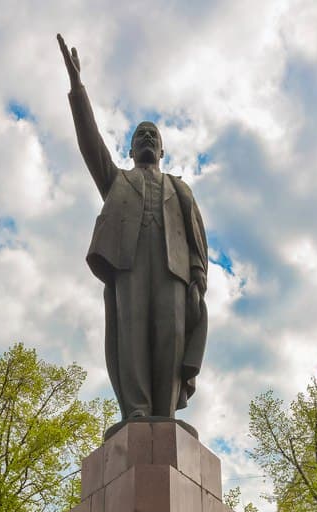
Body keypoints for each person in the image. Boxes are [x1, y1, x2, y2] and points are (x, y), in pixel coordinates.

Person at [57, 34, 208, 428]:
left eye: (152, 136)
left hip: (172, 270)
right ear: (129, 151)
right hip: (129, 264)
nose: (146, 138)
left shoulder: (180, 189)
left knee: (171, 338)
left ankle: (164, 412)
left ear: (162, 151)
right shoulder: (117, 181)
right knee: (132, 336)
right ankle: (138, 412)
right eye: (139, 135)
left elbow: (196, 240)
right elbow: (91, 146)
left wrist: (198, 278)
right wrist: (78, 90)